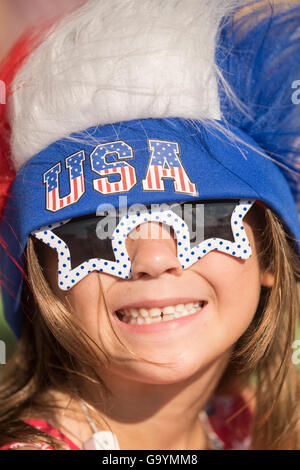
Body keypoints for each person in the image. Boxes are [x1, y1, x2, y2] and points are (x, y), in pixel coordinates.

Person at [0, 0, 299, 451]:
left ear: (269, 255)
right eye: (92, 232)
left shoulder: (248, 421)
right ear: (41, 278)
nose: (153, 260)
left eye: (203, 220)